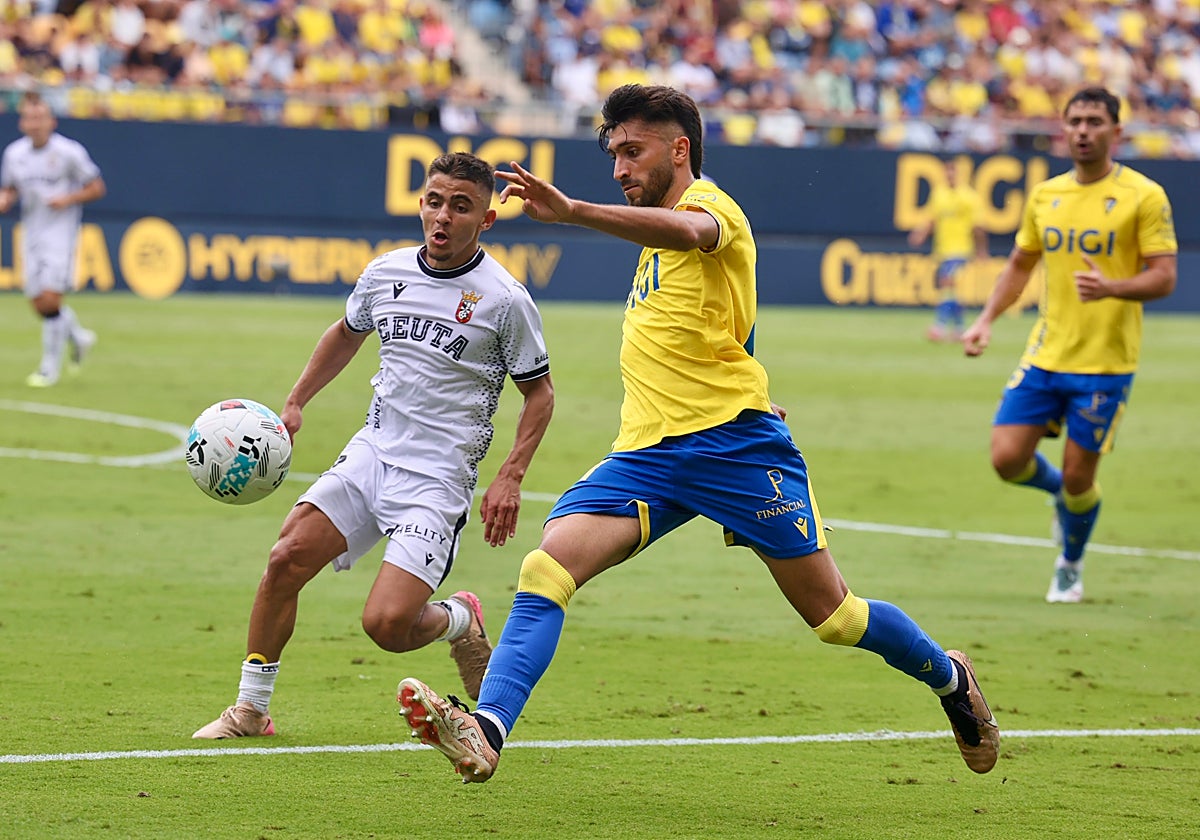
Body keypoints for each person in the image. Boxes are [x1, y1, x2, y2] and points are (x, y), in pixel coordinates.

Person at [397, 84, 999, 782]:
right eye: (613, 154)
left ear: (679, 149)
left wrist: (573, 211)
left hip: (735, 449)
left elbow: (691, 235)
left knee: (835, 617)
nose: (619, 168)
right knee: (547, 566)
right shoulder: (653, 232)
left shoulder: (711, 209)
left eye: (633, 151)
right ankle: (488, 730)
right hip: (650, 454)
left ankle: (951, 678)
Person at [193, 152, 555, 738]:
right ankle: (251, 710)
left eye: (460, 207)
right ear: (420, 203)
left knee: (387, 626)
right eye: (434, 202)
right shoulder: (385, 272)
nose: (442, 217)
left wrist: (510, 475)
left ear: (486, 220)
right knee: (285, 559)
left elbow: (539, 394)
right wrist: (295, 402)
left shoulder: (505, 300)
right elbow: (345, 333)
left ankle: (460, 618)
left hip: (438, 478)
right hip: (373, 452)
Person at [960, 87, 1177, 604]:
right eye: (1075, 120)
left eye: (1094, 121)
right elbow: (1020, 265)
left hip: (1105, 364)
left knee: (1083, 479)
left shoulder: (1143, 197)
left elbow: (1165, 277)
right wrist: (986, 319)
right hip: (1045, 353)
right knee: (1007, 459)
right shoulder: (1046, 195)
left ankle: (1070, 564)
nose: (1083, 130)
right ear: (1064, 129)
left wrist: (1113, 287)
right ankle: (1058, 494)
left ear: (1116, 131)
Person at [0, 91, 106, 388]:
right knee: (40, 304)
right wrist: (5, 200)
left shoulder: (69, 152)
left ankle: (49, 369)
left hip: (60, 233)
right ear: (22, 122)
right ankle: (79, 337)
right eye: (29, 118)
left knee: (51, 298)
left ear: (51, 121)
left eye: (40, 117)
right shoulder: (14, 154)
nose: (35, 123)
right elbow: (9, 189)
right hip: (30, 231)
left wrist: (69, 198)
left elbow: (97, 187)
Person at [907, 158, 989, 342]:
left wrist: (981, 251)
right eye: (947, 172)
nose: (950, 176)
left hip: (961, 249)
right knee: (953, 291)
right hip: (943, 249)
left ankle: (939, 325)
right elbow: (932, 219)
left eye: (953, 172)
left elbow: (978, 227)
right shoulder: (939, 194)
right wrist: (920, 234)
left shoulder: (969, 197)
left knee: (946, 282)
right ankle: (959, 328)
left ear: (958, 174)